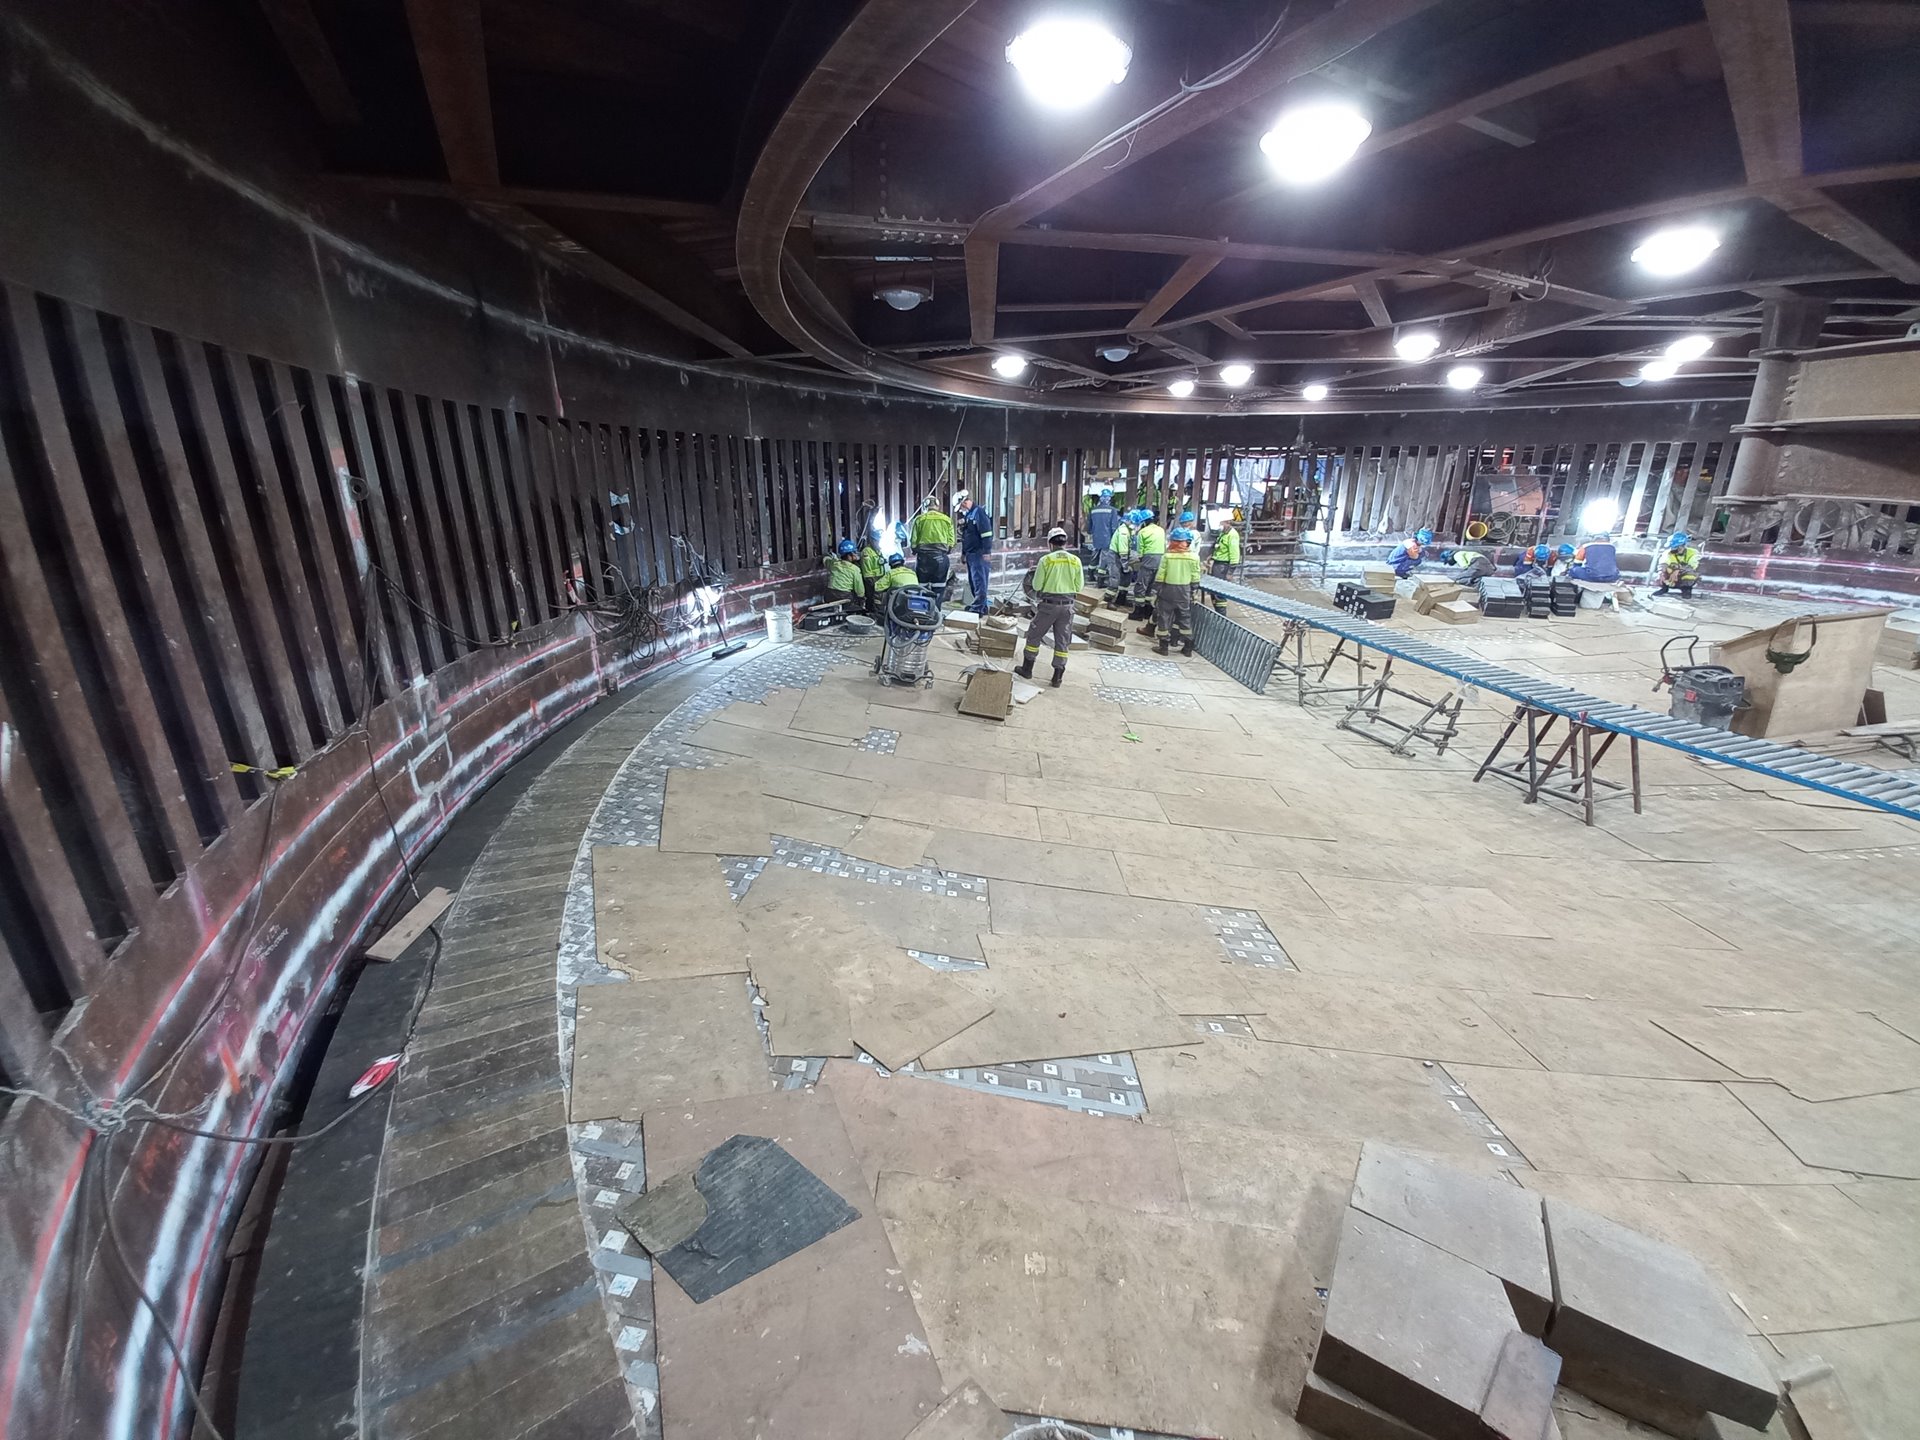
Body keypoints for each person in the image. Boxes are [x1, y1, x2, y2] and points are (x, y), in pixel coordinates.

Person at [1017, 526, 1084, 688]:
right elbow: (1079, 586)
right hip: (1068, 606)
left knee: (1034, 635)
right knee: (1062, 641)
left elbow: (1037, 585)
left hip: (1048, 606)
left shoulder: (1046, 560)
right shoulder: (1075, 561)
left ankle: (1027, 669)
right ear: (1065, 543)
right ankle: (1057, 677)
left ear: (1050, 544)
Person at [1144, 527, 1203, 655]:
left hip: (1167, 591)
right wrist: (1194, 592)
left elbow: (1160, 576)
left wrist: (1155, 592)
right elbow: (1195, 576)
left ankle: (1163, 647)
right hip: (1184, 592)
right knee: (1185, 618)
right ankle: (1188, 648)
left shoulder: (1168, 557)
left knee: (1164, 617)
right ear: (1187, 542)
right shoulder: (1194, 557)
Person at [957, 491, 994, 615]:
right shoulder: (969, 515)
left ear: (964, 502)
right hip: (970, 554)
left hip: (979, 553)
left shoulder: (979, 513)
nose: (960, 510)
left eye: (960, 507)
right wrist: (963, 553)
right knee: (974, 582)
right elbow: (966, 536)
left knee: (980, 582)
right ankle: (980, 607)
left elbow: (987, 533)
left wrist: (987, 551)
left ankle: (978, 608)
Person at [908, 500, 956, 594]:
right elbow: (951, 541)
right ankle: (936, 607)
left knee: (922, 586)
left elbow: (913, 540)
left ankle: (923, 607)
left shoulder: (919, 519)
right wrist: (948, 550)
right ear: (937, 506)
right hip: (941, 558)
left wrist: (914, 550)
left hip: (923, 558)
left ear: (925, 507)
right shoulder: (946, 519)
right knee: (939, 587)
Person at [1129, 508, 1168, 617]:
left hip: (1148, 559)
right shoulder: (1161, 530)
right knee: (1151, 586)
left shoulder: (1143, 532)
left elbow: (1140, 550)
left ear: (1144, 521)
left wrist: (1139, 559)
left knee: (1141, 585)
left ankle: (1138, 612)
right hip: (1160, 559)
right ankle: (1148, 611)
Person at [1207, 517, 1242, 612]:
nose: (1220, 526)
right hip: (1217, 564)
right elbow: (1219, 547)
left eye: (1221, 523)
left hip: (1224, 566)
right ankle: (1217, 612)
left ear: (1228, 522)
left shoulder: (1232, 535)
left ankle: (1221, 615)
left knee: (1219, 593)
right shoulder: (1223, 533)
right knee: (1213, 591)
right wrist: (1212, 555)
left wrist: (1230, 572)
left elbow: (1234, 554)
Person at [1654, 531, 1701, 597]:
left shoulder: (1693, 553)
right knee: (1662, 573)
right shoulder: (1668, 553)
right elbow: (1663, 563)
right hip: (1671, 577)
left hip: (1684, 575)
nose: (1672, 549)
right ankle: (1664, 588)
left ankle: (1686, 590)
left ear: (1681, 546)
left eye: (1674, 547)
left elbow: (1693, 567)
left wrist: (1677, 570)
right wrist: (1661, 573)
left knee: (1690, 575)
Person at [1087, 489, 1120, 578]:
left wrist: (1090, 533)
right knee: (1104, 558)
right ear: (1109, 498)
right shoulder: (1112, 510)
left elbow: (1089, 526)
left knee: (1095, 555)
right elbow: (1114, 526)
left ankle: (1090, 574)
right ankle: (1100, 578)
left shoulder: (1093, 510)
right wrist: (1116, 538)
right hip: (1107, 537)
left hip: (1096, 536)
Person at [1104, 507, 1136, 594]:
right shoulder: (1123, 532)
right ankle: (1109, 599)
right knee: (1115, 578)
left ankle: (1121, 598)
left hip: (1120, 556)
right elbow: (1123, 552)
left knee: (1125, 578)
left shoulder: (1129, 530)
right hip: (1115, 556)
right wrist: (1125, 567)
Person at [824, 539, 864, 606]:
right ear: (849, 555)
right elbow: (859, 590)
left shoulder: (834, 564)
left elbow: (825, 559)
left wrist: (832, 557)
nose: (856, 554)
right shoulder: (855, 569)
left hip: (829, 595)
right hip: (844, 597)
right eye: (854, 552)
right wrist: (861, 597)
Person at [858, 532, 887, 613]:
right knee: (871, 597)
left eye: (878, 540)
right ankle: (870, 612)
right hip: (871, 578)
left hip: (880, 577)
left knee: (878, 597)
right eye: (876, 541)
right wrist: (870, 580)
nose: (877, 542)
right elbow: (866, 568)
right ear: (871, 540)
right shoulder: (866, 552)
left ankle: (877, 611)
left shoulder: (878, 550)